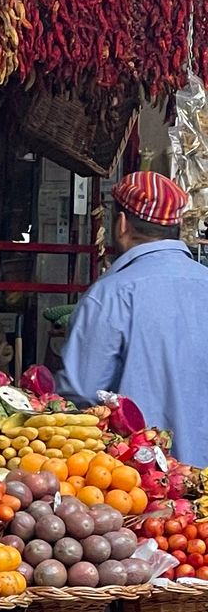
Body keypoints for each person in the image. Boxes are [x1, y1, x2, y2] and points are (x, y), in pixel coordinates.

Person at [59, 171, 208, 465]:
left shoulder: (111, 294)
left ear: (122, 224)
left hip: (141, 486)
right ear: (176, 226)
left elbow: (81, 393)